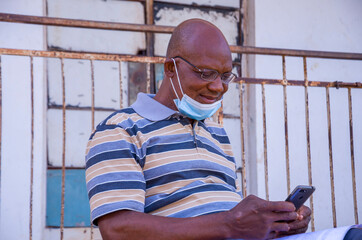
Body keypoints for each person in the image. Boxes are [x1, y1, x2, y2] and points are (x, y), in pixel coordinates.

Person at [85, 19, 360, 240]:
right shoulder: (120, 129)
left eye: (226, 75)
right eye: (206, 73)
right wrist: (230, 225)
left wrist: (274, 223)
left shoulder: (216, 133)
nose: (218, 87)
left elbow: (226, 217)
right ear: (170, 68)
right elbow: (118, 229)